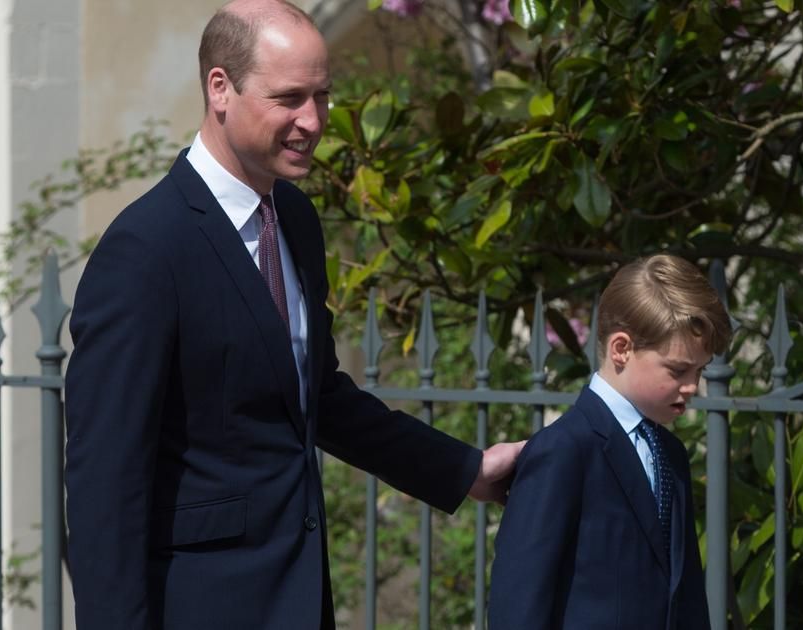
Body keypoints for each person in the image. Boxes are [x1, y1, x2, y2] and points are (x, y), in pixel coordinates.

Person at [63, 1, 523, 627]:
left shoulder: (296, 221)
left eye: (322, 97)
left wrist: (466, 470)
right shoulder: (145, 249)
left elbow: (318, 398)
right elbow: (104, 487)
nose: (313, 120)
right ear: (219, 89)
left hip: (299, 602)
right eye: (289, 99)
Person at [488, 254, 731, 630]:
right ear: (621, 349)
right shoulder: (563, 450)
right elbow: (518, 605)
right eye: (678, 370)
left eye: (699, 371)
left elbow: (685, 596)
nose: (692, 386)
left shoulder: (672, 455)